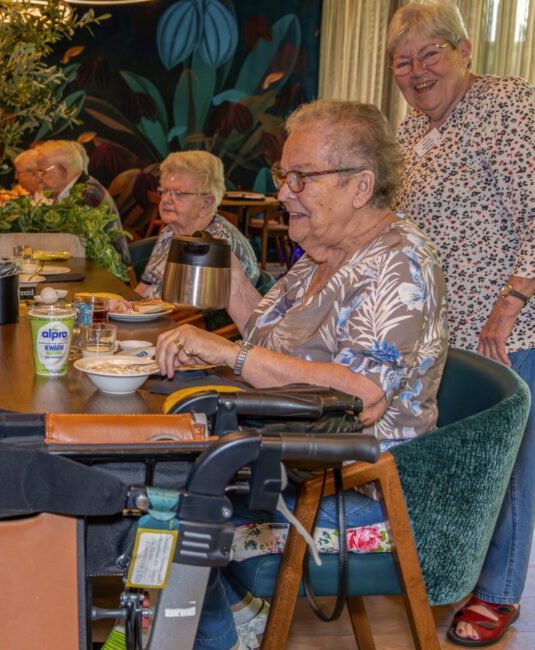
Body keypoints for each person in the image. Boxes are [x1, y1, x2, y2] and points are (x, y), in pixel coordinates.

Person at [152, 100, 449, 649]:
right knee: (158, 484)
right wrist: (222, 262)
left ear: (360, 186)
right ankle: (226, 620)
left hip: (358, 485)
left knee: (172, 511)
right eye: (282, 176)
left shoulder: (399, 262)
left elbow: (362, 397)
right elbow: (264, 336)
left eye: (300, 178)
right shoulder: (317, 258)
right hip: (293, 459)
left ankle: (217, 634)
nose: (284, 192)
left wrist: (227, 356)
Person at [387, 2, 535, 645]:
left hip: (502, 328)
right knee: (457, 463)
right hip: (436, 332)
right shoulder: (408, 134)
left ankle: (499, 593)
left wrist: (510, 304)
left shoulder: (510, 108)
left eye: (430, 54)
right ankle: (450, 574)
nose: (417, 71)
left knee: (506, 465)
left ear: (465, 49)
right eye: (402, 61)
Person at [132, 151, 259, 300]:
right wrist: (126, 307)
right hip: (152, 316)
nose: (166, 199)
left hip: (185, 321)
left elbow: (201, 315)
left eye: (179, 193)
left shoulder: (219, 243)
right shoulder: (169, 232)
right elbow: (146, 284)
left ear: (206, 203)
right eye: (165, 191)